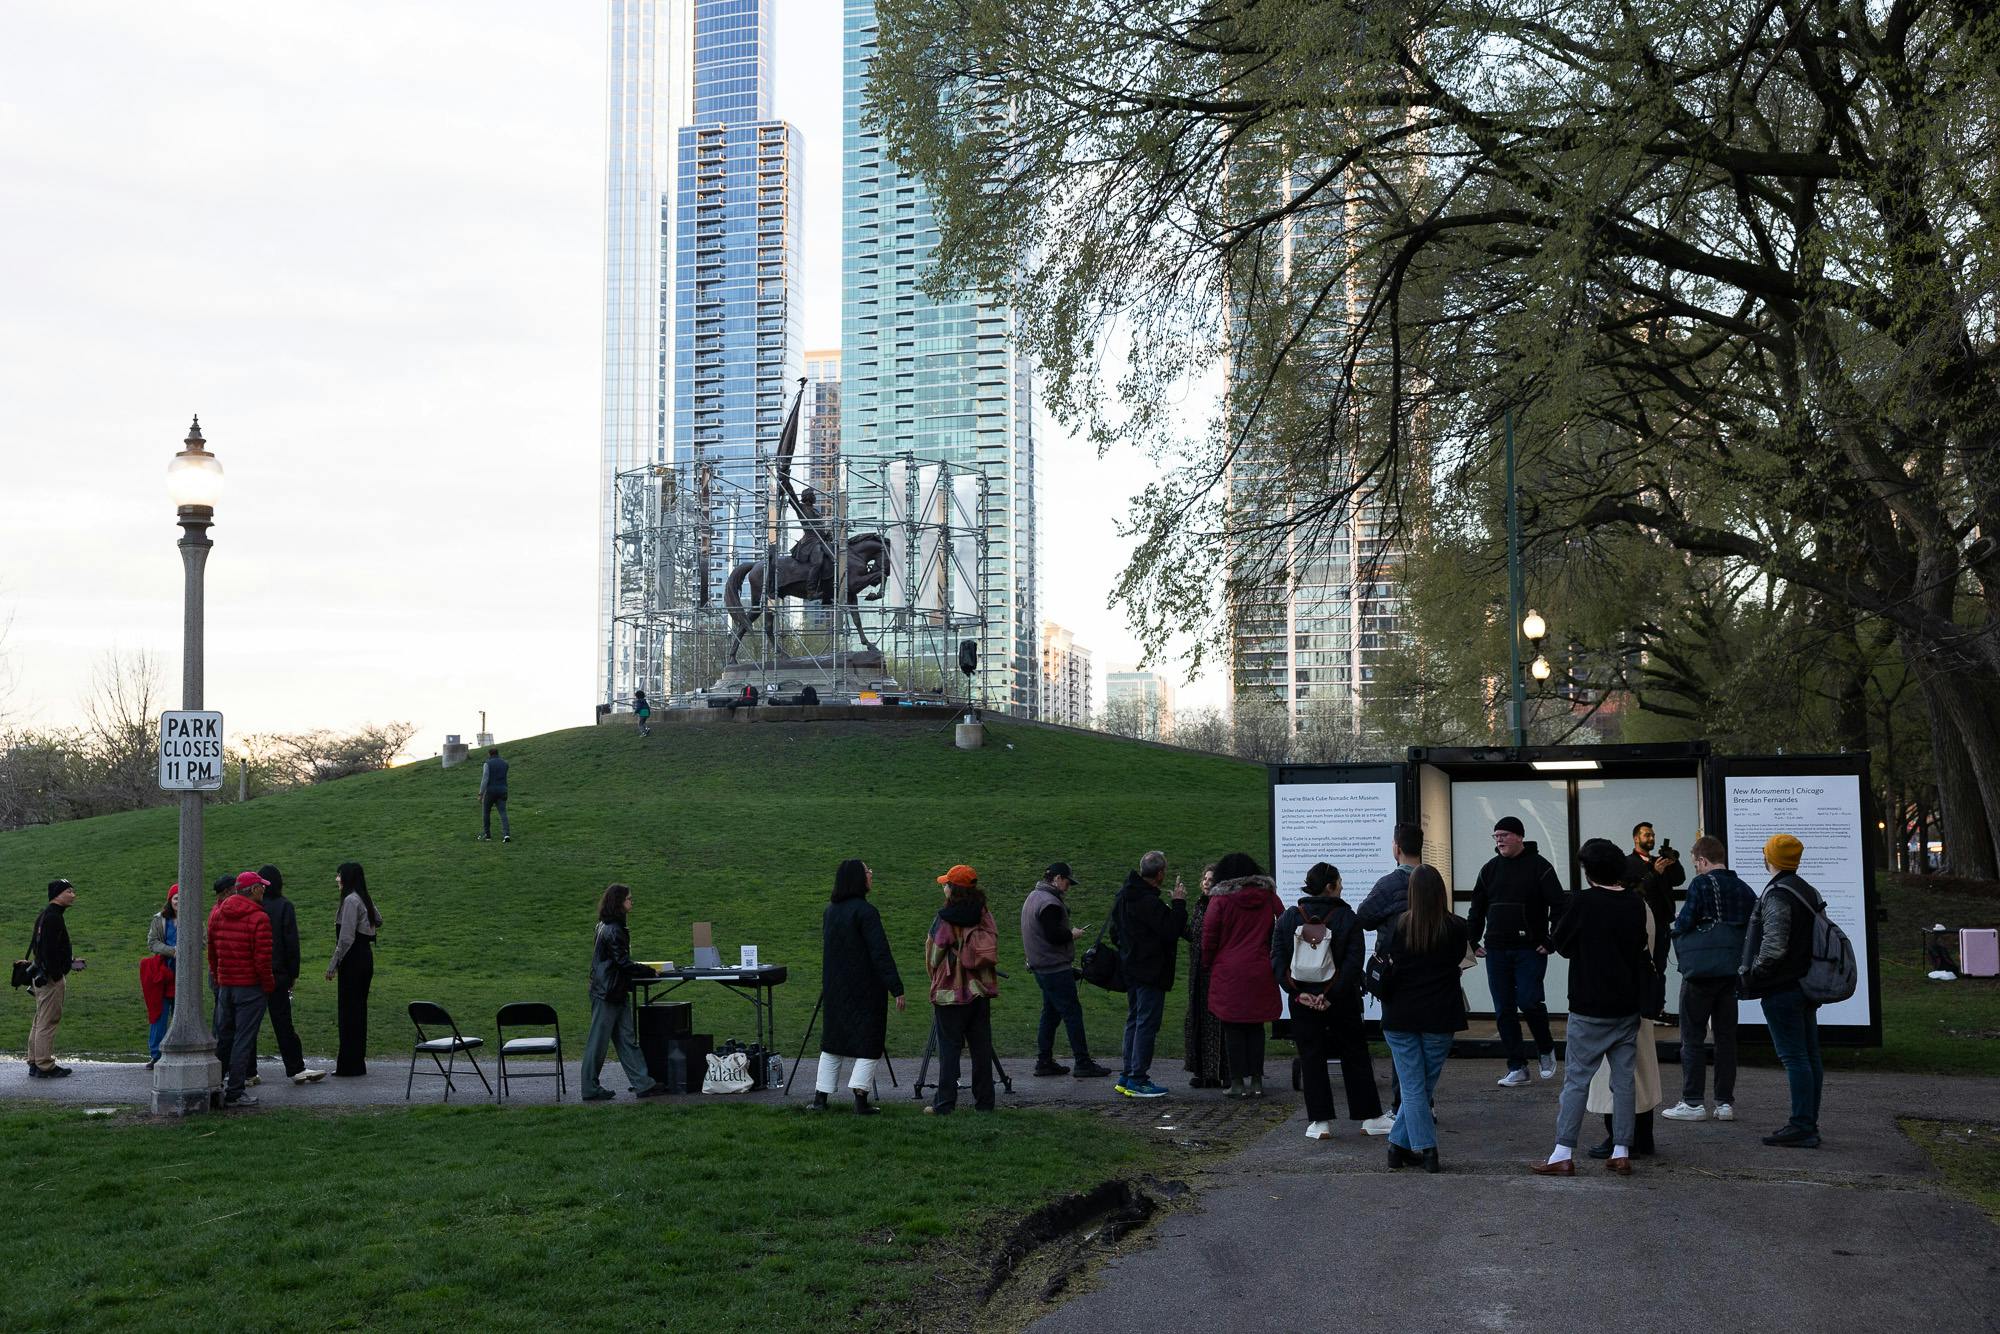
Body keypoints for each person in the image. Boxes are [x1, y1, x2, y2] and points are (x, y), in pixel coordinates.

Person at [1534, 838, 1651, 1177]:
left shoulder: (1583, 903)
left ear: (1588, 872)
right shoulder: (1634, 903)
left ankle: (1562, 1150)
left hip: (1588, 1004)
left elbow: (1563, 945)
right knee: (1624, 1080)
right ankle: (1621, 1148)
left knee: (1576, 1080)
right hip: (1626, 1005)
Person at [1273, 862, 1390, 1138]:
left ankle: (1319, 1122)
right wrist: (1328, 995)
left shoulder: (1290, 918)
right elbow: (1352, 963)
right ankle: (1369, 1117)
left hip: (1301, 1000)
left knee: (1312, 1056)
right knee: (1354, 1054)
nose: (1342, 886)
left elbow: (1278, 960)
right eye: (1339, 882)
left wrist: (1298, 992)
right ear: (1330, 887)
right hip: (1341, 999)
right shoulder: (1347, 918)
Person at [1379, 865, 1467, 1173]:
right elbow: (1458, 960)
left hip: (1400, 1015)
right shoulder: (1457, 927)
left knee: (1415, 1086)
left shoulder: (1397, 927)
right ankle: (1426, 1149)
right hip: (1439, 1015)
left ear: (1411, 893)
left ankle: (1398, 1145)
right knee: (1421, 1086)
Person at [1742, 834, 1828, 1148]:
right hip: (1805, 985)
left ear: (1771, 859)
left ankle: (1802, 1125)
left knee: (1794, 1058)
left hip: (1783, 988)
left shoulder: (1778, 894)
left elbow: (1773, 947)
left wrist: (1753, 974)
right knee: (1809, 1056)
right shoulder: (1806, 889)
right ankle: (1808, 1122)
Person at [1467, 815, 1566, 1087]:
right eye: (1496, 836)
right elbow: (1476, 909)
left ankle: (1545, 1049)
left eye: (1505, 835)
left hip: (1530, 949)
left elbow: (1559, 906)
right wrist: (1472, 942)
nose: (1499, 841)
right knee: (1504, 1009)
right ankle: (1517, 1067)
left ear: (1519, 836)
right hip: (1497, 949)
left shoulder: (1540, 867)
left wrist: (1551, 940)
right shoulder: (1489, 869)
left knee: (1529, 1001)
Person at [1663, 835, 1756, 1122]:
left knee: (1692, 1036)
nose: (1696, 869)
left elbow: (1686, 921)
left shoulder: (1702, 884)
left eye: (1696, 864)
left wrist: (1677, 926)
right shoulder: (1745, 889)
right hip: (1731, 972)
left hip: (1701, 972)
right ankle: (1724, 1103)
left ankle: (1692, 1102)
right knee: (1726, 1038)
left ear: (1703, 860)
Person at [813, 859, 907, 1113]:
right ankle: (860, 1099)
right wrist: (896, 987)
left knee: (832, 1042)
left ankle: (820, 1099)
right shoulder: (866, 912)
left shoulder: (830, 911)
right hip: (865, 990)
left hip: (835, 988)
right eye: (868, 871)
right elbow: (880, 953)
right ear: (858, 878)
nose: (871, 874)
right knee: (869, 1042)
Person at [1200, 852, 1283, 1099]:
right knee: (1256, 1027)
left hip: (1229, 970)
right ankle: (1257, 1079)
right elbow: (1285, 920)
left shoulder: (1220, 900)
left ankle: (1237, 1081)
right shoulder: (1268, 896)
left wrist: (1208, 963)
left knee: (1232, 1027)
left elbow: (1209, 937)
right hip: (1260, 967)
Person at [1587, 886, 1662, 1159]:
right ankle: (1643, 1137)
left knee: (1613, 1073)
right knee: (1641, 1069)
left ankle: (1619, 1137)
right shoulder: (1641, 906)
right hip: (1641, 997)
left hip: (1612, 1001)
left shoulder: (1609, 907)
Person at [1020, 861, 1111, 1078]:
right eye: (1067, 882)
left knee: (1050, 1014)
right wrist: (1073, 934)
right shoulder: (1049, 902)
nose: (1068, 887)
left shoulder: (1034, 897)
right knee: (1072, 1013)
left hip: (1040, 967)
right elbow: (1053, 935)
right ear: (1058, 878)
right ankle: (1083, 1062)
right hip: (1054, 968)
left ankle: (1044, 1062)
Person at [924, 865, 1000, 1115]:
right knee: (981, 1049)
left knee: (949, 1050)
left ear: (953, 889)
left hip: (950, 993)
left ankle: (944, 1104)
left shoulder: (945, 917)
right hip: (980, 990)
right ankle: (985, 1103)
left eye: (946, 884)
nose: (943, 887)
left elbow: (934, 956)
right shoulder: (983, 913)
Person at [1111, 850, 1187, 1099]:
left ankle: (1127, 1073)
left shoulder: (1125, 895)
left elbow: (1114, 931)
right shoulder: (1149, 902)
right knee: (1146, 1023)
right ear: (1161, 873)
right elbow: (1170, 931)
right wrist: (1178, 902)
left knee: (1134, 1020)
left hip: (1130, 967)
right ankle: (1138, 1078)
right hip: (1151, 970)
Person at [1356, 824, 1422, 1112]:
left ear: (1396, 848)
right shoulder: (1434, 881)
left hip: (1395, 972)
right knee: (1422, 1039)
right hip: (1428, 969)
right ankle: (1423, 1102)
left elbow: (1364, 916)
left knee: (1400, 1041)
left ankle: (1401, 1104)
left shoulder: (1388, 883)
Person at [583, 884, 666, 1101]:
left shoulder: (604, 925)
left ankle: (643, 1083)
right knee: (600, 1042)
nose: (631, 902)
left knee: (625, 1038)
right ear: (619, 902)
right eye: (629, 899)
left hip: (610, 990)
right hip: (609, 992)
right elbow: (622, 963)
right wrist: (649, 971)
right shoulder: (614, 929)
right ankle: (590, 1087)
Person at [209, 870, 276, 1107]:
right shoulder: (259, 918)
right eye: (261, 886)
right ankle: (236, 1091)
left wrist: (218, 977)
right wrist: (268, 986)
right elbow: (262, 960)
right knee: (243, 1040)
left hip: (226, 985)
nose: (264, 890)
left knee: (224, 1038)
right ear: (253, 890)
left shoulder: (217, 913)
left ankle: (213, 1086)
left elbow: (212, 951)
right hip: (250, 988)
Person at [257, 864, 325, 1085]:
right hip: (278, 972)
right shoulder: (284, 906)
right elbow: (291, 943)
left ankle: (248, 1071)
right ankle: (295, 1067)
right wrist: (293, 973)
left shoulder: (255, 907)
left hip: (255, 973)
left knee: (249, 1023)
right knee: (283, 1022)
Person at [25, 879, 86, 1078]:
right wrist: (58, 974)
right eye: (69, 891)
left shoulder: (45, 915)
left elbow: (40, 947)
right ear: (57, 895)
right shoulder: (53, 918)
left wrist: (68, 961)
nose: (73, 895)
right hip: (50, 979)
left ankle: (34, 1062)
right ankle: (44, 1065)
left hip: (42, 975)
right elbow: (49, 950)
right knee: (48, 1021)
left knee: (40, 1020)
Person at [324, 862, 380, 1077]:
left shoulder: (350, 900)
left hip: (352, 960)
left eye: (339, 875)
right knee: (359, 1011)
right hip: (366, 957)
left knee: (348, 1012)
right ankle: (357, 1062)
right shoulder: (364, 897)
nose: (337, 879)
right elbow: (379, 920)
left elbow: (346, 938)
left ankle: (348, 1065)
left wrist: (333, 965)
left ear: (346, 877)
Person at [1626, 821, 1686, 1007]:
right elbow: (1635, 892)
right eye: (1647, 835)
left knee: (1660, 966)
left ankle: (1657, 1007)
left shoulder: (1658, 861)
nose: (1651, 838)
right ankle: (1642, 1006)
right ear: (1636, 838)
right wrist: (1654, 872)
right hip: (1640, 924)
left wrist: (1673, 863)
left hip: (1661, 923)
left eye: (1653, 835)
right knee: (1641, 966)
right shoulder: (1628, 863)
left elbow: (1679, 879)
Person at [1182, 863, 1228, 1088]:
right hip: (1198, 972)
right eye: (1205, 879)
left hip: (1216, 971)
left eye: (1212, 879)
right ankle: (1202, 1071)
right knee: (1199, 1018)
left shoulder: (1221, 907)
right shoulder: (1199, 906)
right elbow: (1194, 934)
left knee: (1216, 1022)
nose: (1207, 882)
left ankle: (1220, 1071)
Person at [143, 886, 178, 1068]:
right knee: (159, 1012)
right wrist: (172, 952)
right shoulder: (160, 919)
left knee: (180, 1012)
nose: (178, 902)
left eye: (181, 898)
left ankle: (178, 1049)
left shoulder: (193, 919)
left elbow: (201, 941)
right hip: (163, 972)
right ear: (170, 900)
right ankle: (156, 1054)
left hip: (183, 973)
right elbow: (152, 942)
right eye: (175, 899)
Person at [478, 746, 511, 843]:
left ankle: (487, 835)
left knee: (486, 813)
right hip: (503, 790)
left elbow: (485, 779)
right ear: (497, 753)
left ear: (489, 754)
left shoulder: (487, 764)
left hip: (491, 791)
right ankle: (506, 835)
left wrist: (480, 793)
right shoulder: (505, 764)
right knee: (503, 813)